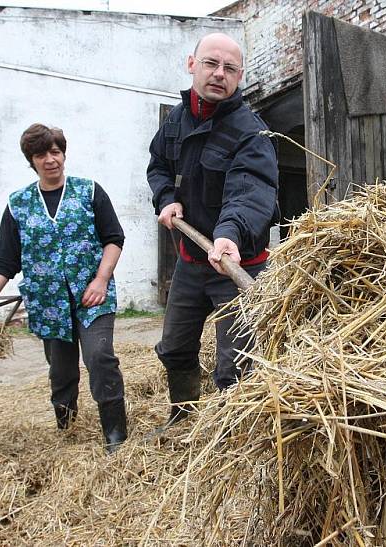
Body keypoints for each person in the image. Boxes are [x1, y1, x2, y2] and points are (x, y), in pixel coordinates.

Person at [0, 123, 128, 454]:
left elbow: (114, 239)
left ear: (63, 153)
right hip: (48, 303)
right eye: (41, 154)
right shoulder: (18, 204)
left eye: (56, 151)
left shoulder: (88, 191)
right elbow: (6, 262)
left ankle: (115, 435)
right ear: (32, 160)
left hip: (91, 296)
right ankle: (66, 428)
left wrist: (100, 279)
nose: (51, 160)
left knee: (100, 357)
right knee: (61, 371)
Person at [147, 32, 278, 426]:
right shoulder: (177, 119)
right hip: (191, 263)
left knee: (236, 363)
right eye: (210, 64)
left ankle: (230, 434)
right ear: (192, 64)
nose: (219, 74)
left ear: (239, 76)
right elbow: (157, 166)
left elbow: (251, 191)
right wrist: (165, 197)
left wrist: (229, 234)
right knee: (174, 347)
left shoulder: (251, 131)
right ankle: (183, 417)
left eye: (230, 68)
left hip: (238, 266)